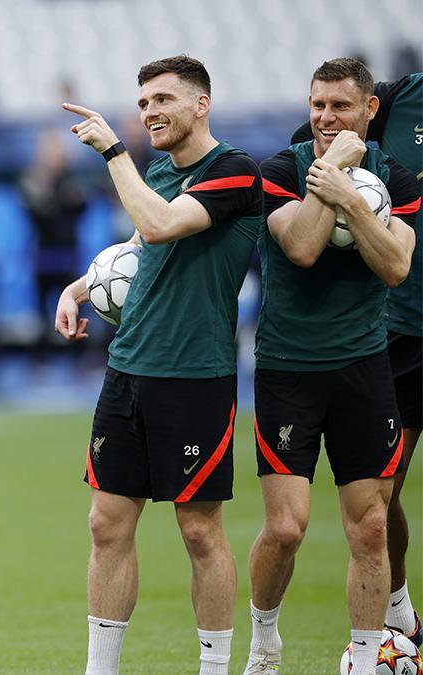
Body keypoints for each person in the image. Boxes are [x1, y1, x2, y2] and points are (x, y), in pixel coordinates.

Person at [55, 55, 263, 675]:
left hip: (195, 376)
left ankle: (214, 668)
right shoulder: (156, 169)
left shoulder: (234, 171)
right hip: (128, 369)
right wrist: (79, 288)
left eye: (164, 100)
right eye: (143, 103)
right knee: (105, 524)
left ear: (201, 104)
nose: (151, 112)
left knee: (200, 531)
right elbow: (139, 251)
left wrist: (112, 150)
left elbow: (163, 223)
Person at [243, 58, 419, 675]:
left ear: (370, 111)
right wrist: (337, 172)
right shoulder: (279, 170)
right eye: (317, 104)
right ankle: (264, 641)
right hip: (289, 369)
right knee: (286, 529)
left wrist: (356, 200)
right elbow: (302, 246)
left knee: (370, 527)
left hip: (364, 367)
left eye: (340, 106)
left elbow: (396, 267)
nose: (324, 117)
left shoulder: (395, 177)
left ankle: (369, 661)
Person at [288, 71, 423, 648]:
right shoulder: (400, 98)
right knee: (380, 495)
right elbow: (316, 138)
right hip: (405, 328)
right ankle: (398, 616)